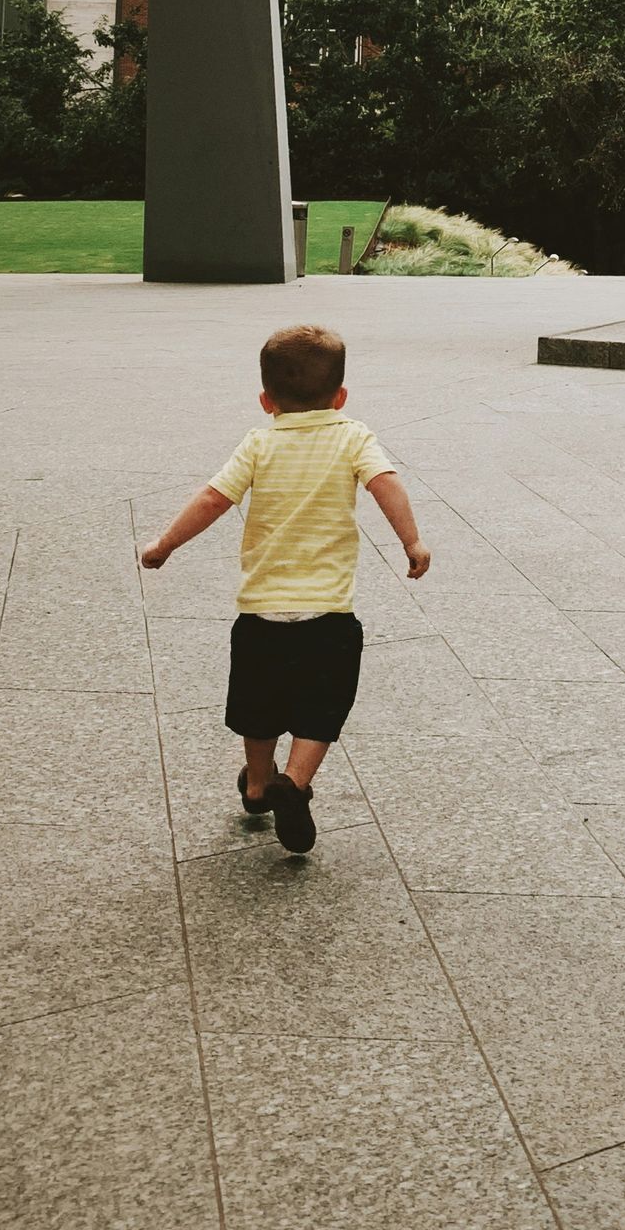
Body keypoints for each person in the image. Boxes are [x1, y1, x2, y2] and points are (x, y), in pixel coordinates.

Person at [139, 323, 430, 854]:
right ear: (340, 396)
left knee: (259, 707)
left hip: (261, 617)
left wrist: (165, 545)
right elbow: (387, 483)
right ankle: (293, 784)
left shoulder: (258, 443)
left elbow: (212, 499)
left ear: (266, 399)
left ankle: (255, 786)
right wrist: (412, 542)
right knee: (322, 706)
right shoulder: (353, 436)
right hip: (329, 617)